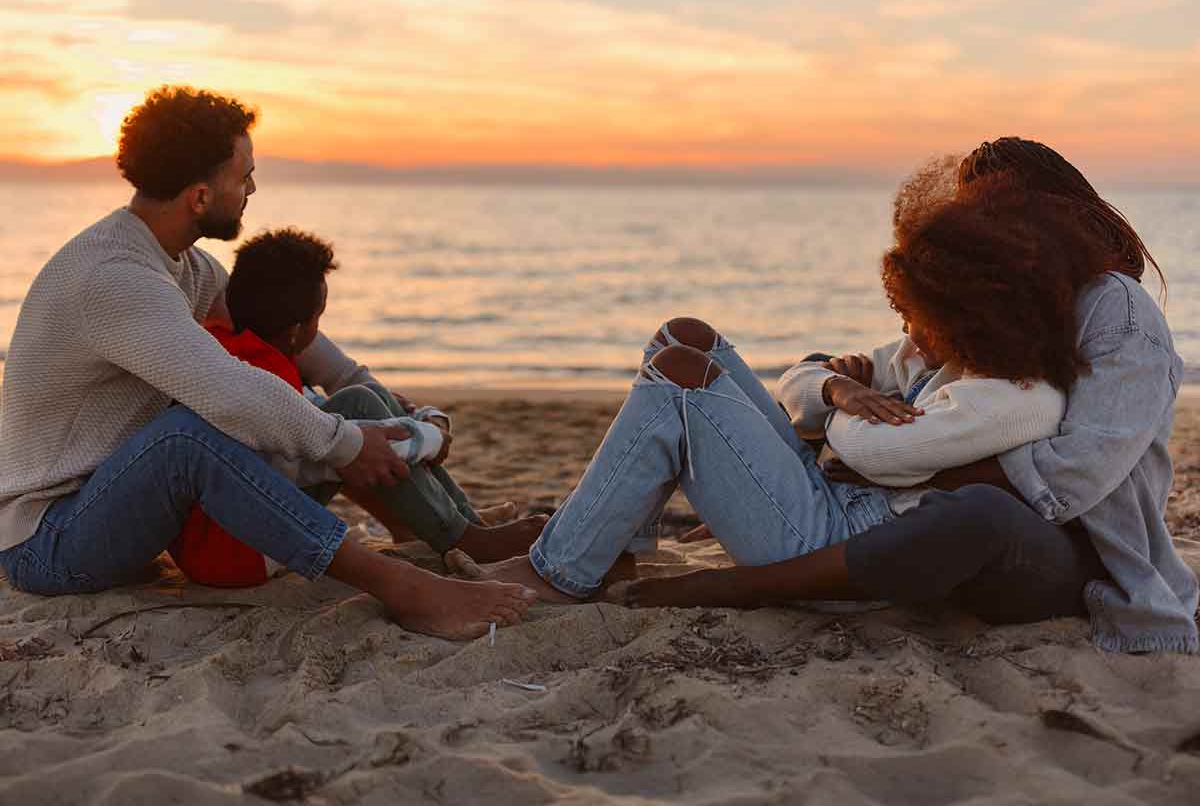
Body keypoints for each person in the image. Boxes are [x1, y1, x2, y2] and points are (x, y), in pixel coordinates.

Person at [607, 140, 1199, 656]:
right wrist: (837, 389)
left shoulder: (1115, 310)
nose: (986, 227)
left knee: (975, 512)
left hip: (1080, 554)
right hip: (948, 521)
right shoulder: (1013, 291)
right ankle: (620, 541)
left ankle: (753, 585)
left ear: (1051, 212)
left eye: (999, 212)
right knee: (691, 352)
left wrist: (895, 469)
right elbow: (870, 368)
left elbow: (1071, 482)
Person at [0, 86, 534, 639]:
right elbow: (230, 390)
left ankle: (464, 535)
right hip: (51, 541)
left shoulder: (185, 266)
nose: (253, 187)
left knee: (348, 406)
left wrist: (369, 395)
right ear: (201, 197)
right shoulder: (116, 278)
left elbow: (283, 334)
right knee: (189, 439)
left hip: (123, 508)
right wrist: (347, 444)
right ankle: (403, 587)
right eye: (244, 176)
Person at [461, 168, 1115, 614]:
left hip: (837, 542)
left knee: (682, 381)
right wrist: (834, 389)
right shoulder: (944, 358)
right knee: (683, 337)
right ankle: (615, 555)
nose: (906, 335)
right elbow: (798, 382)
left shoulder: (1014, 396)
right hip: (833, 493)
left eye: (917, 317)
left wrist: (840, 411)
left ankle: (561, 575)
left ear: (966, 315)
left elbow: (876, 456)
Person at [170, 226, 545, 586]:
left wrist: (403, 416)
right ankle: (461, 535)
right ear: (298, 330)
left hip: (212, 542)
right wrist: (432, 429)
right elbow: (351, 443)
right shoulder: (272, 381)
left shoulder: (224, 346)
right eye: (319, 318)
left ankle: (466, 523)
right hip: (243, 552)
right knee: (360, 407)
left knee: (364, 403)